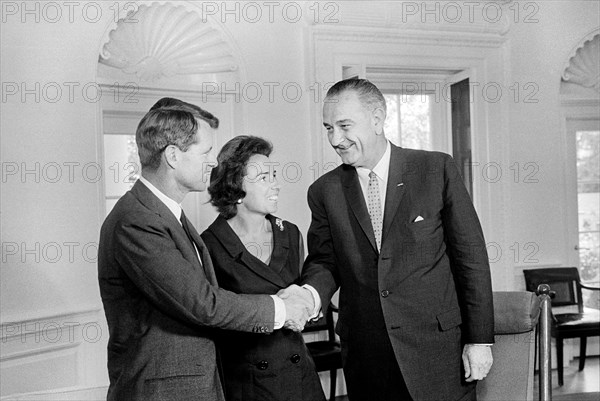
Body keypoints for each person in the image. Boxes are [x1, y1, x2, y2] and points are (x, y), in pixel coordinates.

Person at [281, 78, 495, 401]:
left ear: (378, 119)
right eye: (328, 128)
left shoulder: (436, 170)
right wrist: (309, 296)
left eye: (344, 125)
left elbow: (471, 258)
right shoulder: (325, 192)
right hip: (368, 359)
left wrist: (479, 340)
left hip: (438, 354)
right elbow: (325, 262)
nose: (335, 139)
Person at [98, 98, 311, 401]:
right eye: (206, 152)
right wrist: (283, 308)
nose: (213, 163)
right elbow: (202, 304)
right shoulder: (137, 220)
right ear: (173, 155)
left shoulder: (168, 215)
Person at [201, 136, 326, 401]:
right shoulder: (209, 245)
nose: (276, 184)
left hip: (299, 377)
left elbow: (303, 292)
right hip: (247, 385)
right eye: (263, 178)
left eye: (274, 175)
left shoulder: (290, 233)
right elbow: (211, 315)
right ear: (235, 188)